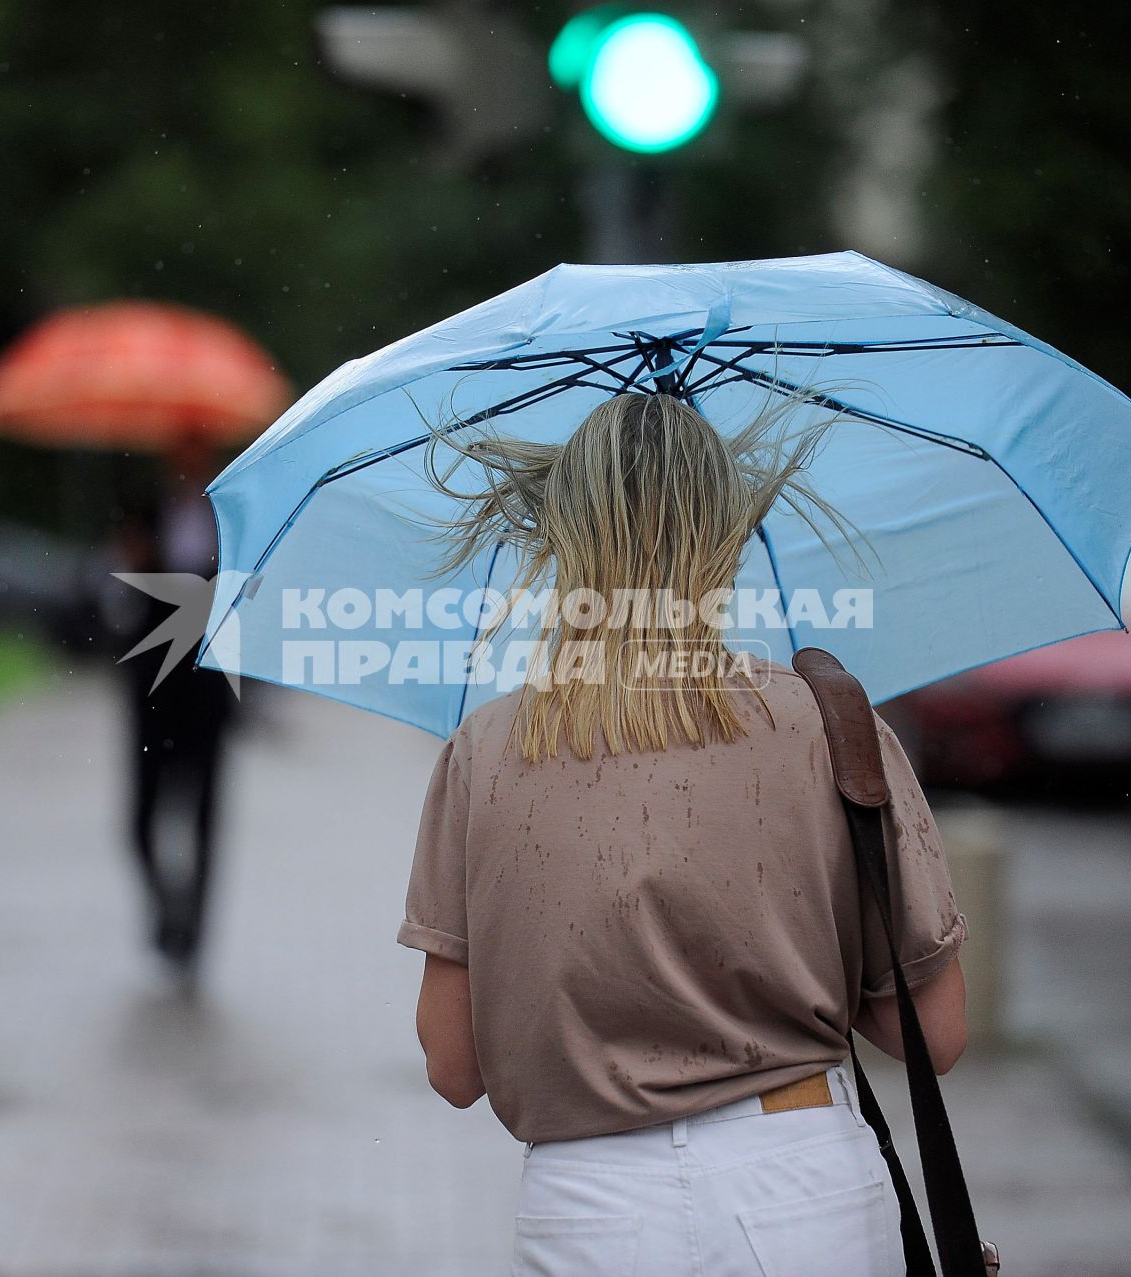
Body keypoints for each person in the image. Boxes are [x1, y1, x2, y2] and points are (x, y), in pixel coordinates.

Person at [397, 393, 969, 1276]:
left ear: (562, 538)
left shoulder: (487, 752)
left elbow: (453, 1064)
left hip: (586, 1204)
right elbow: (937, 1032)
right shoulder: (825, 722)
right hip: (803, 1178)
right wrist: (798, 957)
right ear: (728, 534)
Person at [116, 457, 236, 970]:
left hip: (207, 691)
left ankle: (194, 933)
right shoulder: (140, 517)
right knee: (141, 817)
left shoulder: (229, 520)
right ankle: (167, 909)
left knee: (205, 816)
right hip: (152, 693)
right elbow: (119, 599)